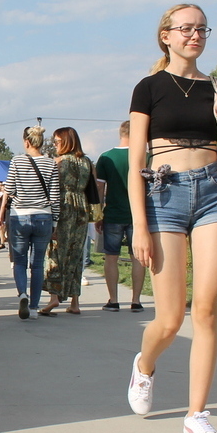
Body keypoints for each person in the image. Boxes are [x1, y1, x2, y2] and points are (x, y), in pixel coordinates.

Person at [125, 3, 217, 433]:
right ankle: (145, 365)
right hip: (164, 194)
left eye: (202, 29)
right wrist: (139, 225)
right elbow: (136, 161)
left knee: (207, 308)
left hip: (214, 191)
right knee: (171, 318)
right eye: (186, 29)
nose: (195, 35)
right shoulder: (149, 88)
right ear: (166, 36)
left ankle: (197, 414)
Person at [4, 126, 60, 319]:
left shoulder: (17, 161)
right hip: (43, 216)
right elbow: (55, 196)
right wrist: (55, 224)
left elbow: (9, 188)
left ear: (26, 142)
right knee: (37, 264)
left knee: (19, 261)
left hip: (20, 215)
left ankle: (22, 294)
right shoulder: (50, 163)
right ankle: (35, 307)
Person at [95, 121, 147, 311]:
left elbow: (100, 187)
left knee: (111, 257)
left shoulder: (106, 157)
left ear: (121, 133)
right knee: (138, 258)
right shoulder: (144, 156)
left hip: (113, 213)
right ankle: (136, 300)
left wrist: (99, 213)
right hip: (138, 215)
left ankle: (114, 299)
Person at [40, 127, 91, 316]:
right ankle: (75, 301)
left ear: (65, 142)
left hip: (63, 207)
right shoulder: (86, 162)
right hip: (82, 208)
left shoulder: (59, 162)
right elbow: (95, 189)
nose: (54, 145)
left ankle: (54, 297)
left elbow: (51, 189)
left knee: (55, 250)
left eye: (56, 141)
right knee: (76, 253)